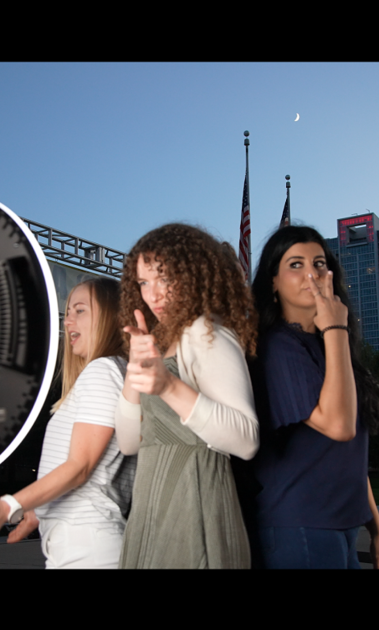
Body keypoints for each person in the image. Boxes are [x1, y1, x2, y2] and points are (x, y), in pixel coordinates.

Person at [0, 277, 136, 568]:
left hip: (87, 544)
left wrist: (9, 505)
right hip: (80, 542)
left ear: (110, 317)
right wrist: (39, 509)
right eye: (67, 313)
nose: (68, 322)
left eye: (80, 311)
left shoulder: (102, 371)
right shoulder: (113, 371)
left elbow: (81, 467)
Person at [248, 225, 379, 569]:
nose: (311, 274)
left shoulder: (332, 347)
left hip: (342, 526)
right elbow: (339, 426)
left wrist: (377, 529)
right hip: (298, 525)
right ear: (273, 281)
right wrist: (335, 327)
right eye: (295, 265)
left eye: (320, 263)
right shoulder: (279, 346)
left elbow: (349, 452)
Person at [115, 223, 259, 568]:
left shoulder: (206, 332)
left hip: (195, 507)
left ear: (193, 274)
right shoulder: (162, 341)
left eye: (165, 278)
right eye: (144, 282)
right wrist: (136, 372)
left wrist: (168, 386)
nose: (153, 295)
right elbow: (129, 444)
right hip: (151, 507)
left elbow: (246, 439)